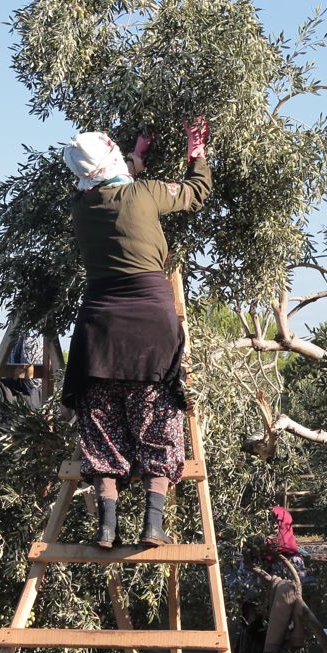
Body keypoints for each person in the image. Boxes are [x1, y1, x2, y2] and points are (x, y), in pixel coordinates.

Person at [59, 121, 213, 549]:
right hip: (149, 327)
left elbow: (112, 181)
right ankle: (152, 525)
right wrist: (195, 151)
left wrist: (136, 156)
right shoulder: (144, 194)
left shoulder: (82, 206)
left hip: (98, 333)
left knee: (102, 433)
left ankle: (106, 528)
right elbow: (194, 192)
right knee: (159, 424)